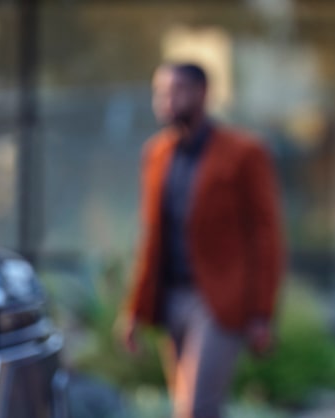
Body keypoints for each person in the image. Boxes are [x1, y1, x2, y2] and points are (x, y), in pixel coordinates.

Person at [116, 63, 284, 418]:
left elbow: (266, 236)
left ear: (202, 93)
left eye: (175, 90)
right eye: (159, 91)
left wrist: (262, 313)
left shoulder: (244, 153)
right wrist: (134, 308)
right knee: (185, 404)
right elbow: (151, 237)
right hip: (170, 298)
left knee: (197, 408)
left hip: (218, 300)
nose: (165, 100)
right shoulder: (157, 153)